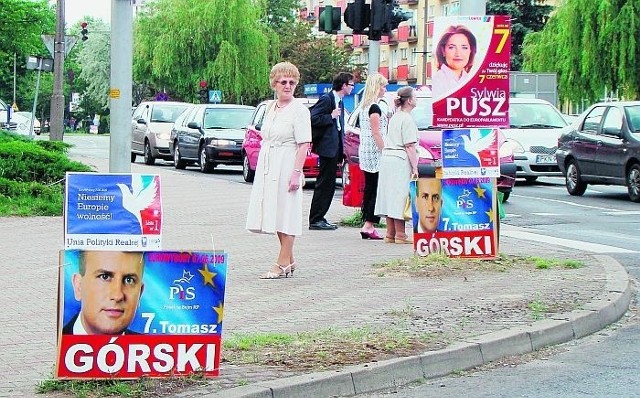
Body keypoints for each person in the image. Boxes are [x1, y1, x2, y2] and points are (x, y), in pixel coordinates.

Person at [246, 62, 312, 279]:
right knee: (274, 211)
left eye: (292, 82)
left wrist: (296, 172)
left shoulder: (300, 110)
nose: (287, 86)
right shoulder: (270, 108)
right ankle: (290, 258)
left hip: (287, 162)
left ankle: (282, 261)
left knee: (288, 212)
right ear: (274, 84)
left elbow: (304, 144)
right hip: (269, 163)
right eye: (283, 82)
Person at [308, 71, 355, 230]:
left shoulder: (339, 101)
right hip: (327, 149)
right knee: (324, 184)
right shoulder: (327, 100)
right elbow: (313, 118)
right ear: (343, 85)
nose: (353, 88)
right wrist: (331, 116)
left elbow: (339, 129)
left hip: (334, 149)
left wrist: (341, 151)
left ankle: (321, 216)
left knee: (329, 185)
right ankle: (315, 219)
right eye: (351, 84)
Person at [374, 86, 419, 244]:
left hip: (387, 157)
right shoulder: (407, 119)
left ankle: (390, 233)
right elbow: (410, 146)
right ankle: (401, 234)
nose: (417, 99)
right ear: (409, 100)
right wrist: (415, 167)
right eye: (415, 96)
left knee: (389, 195)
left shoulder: (395, 116)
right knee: (400, 196)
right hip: (400, 159)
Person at [63, 251, 144, 335]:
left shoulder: (153, 346)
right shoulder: (54, 341)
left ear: (140, 293)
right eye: (105, 277)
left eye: (129, 280)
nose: (117, 296)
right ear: (78, 286)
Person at [357, 73, 388, 240]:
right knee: (376, 188)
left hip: (366, 151)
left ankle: (367, 222)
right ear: (376, 87)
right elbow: (376, 132)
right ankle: (369, 223)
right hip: (375, 152)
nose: (385, 89)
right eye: (383, 86)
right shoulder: (375, 108)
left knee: (370, 187)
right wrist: (385, 150)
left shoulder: (363, 107)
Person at [431, 25, 477, 99]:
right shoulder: (436, 81)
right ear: (443, 51)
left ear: (470, 50)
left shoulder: (472, 81)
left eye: (464, 48)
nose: (458, 53)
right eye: (451, 47)